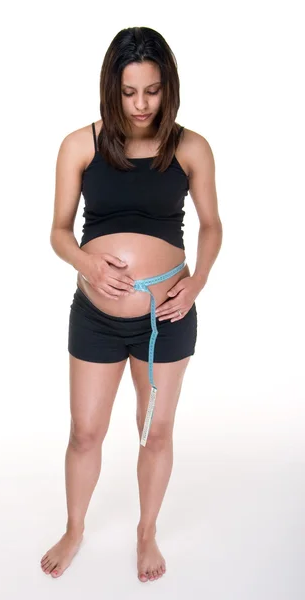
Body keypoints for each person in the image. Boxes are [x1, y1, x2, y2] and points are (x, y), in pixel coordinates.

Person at [42, 26, 223, 582]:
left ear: (167, 87)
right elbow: (58, 231)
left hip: (166, 316)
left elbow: (213, 228)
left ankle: (146, 532)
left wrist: (196, 284)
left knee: (157, 432)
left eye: (152, 91)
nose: (142, 105)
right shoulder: (80, 144)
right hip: (95, 317)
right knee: (84, 432)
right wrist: (88, 264)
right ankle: (75, 528)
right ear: (111, 89)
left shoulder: (191, 147)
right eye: (129, 92)